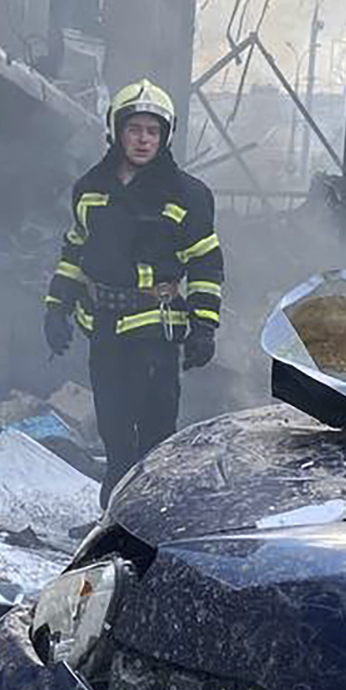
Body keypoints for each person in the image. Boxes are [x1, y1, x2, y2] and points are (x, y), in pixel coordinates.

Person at [43, 80, 223, 499]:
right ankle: (114, 514)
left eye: (153, 131)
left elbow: (205, 263)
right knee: (114, 429)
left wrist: (204, 327)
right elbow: (74, 250)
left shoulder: (187, 194)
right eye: (134, 129)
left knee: (156, 433)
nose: (143, 140)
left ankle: (151, 513)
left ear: (165, 136)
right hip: (104, 326)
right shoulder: (89, 189)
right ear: (116, 130)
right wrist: (57, 307)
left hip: (155, 331)